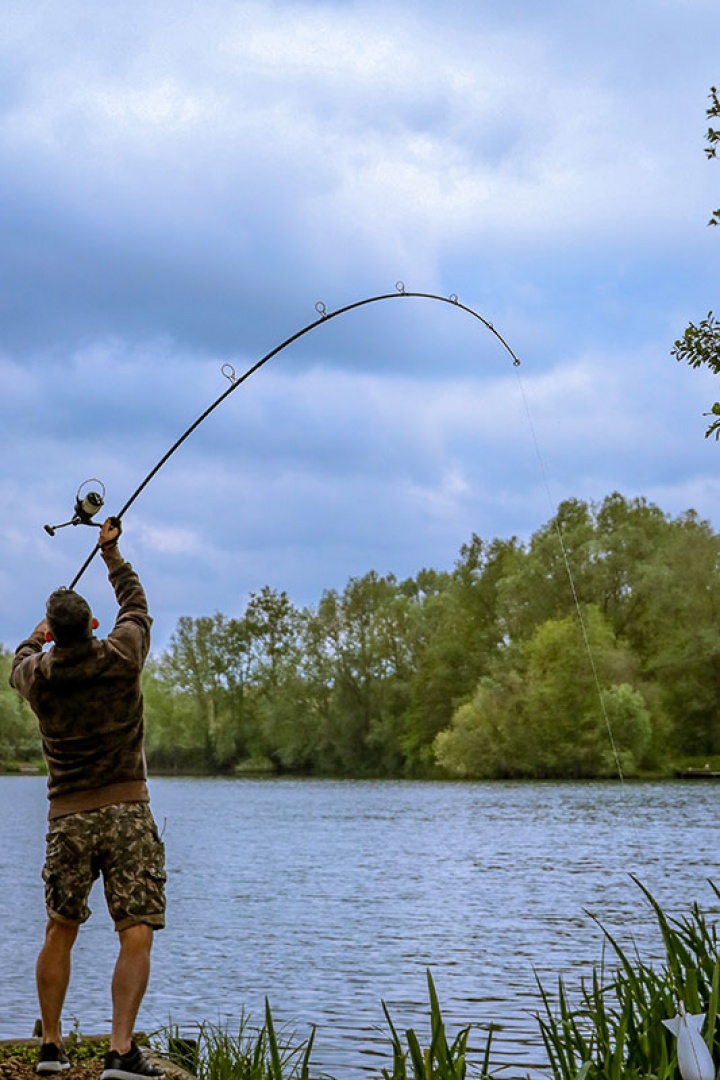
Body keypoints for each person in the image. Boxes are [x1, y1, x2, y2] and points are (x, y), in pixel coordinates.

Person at [10, 518, 166, 1080]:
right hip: (128, 810)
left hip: (68, 817)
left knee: (61, 927)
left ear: (55, 632)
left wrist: (36, 636)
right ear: (92, 627)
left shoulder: (40, 676)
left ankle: (51, 1047)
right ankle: (120, 1051)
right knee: (137, 928)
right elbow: (136, 606)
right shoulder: (121, 655)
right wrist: (111, 552)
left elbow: (17, 665)